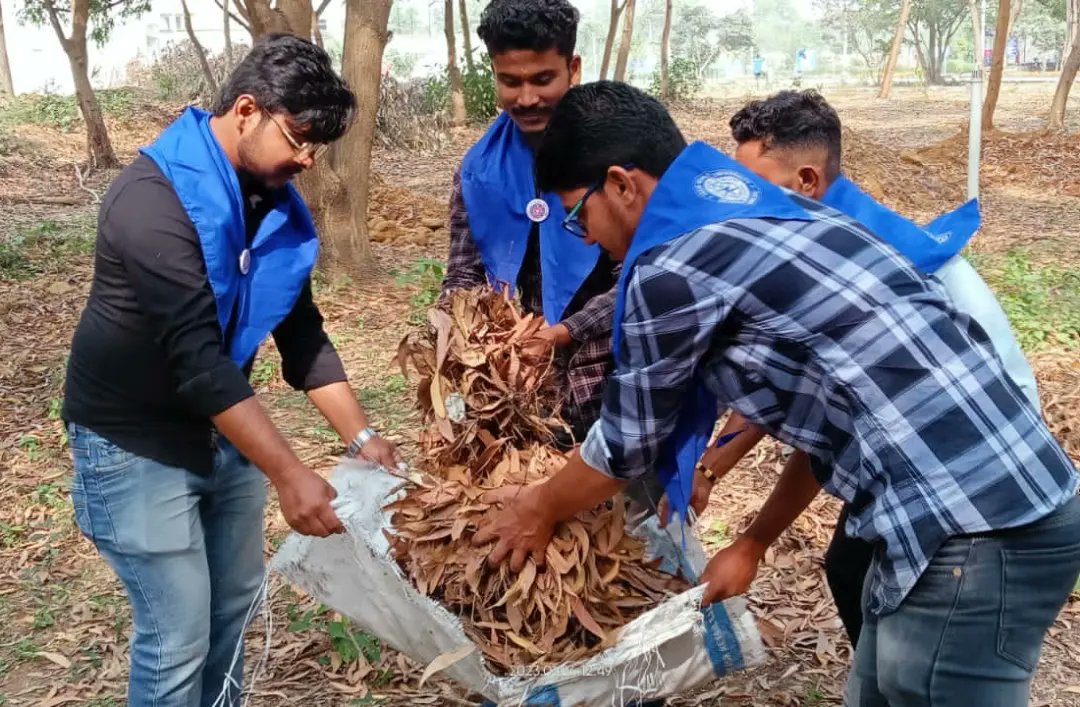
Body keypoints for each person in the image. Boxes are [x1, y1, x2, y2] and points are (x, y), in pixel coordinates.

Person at [474, 81, 1080, 706]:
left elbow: (624, 446)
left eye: (578, 216)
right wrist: (755, 539)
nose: (588, 238)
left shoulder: (674, 263)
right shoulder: (775, 213)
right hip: (995, 504)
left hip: (973, 529)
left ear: (624, 185)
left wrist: (539, 507)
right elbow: (838, 419)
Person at [63, 34, 400, 707]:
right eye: (299, 139)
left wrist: (362, 439)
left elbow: (299, 332)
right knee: (178, 633)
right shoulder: (151, 202)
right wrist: (289, 471)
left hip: (221, 432)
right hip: (134, 444)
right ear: (247, 109)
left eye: (315, 149)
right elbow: (195, 357)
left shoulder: (269, 198)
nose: (306, 160)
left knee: (233, 609)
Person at [656, 89, 1044, 647]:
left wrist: (752, 542)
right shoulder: (830, 235)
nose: (740, 207)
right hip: (936, 421)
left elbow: (838, 428)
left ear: (808, 181)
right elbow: (792, 390)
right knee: (854, 570)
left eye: (755, 186)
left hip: (976, 439)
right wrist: (711, 467)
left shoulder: (855, 261)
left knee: (874, 576)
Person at [440, 0, 623, 447]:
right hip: (525, 389)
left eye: (543, 80)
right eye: (510, 82)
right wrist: (459, 340)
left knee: (632, 509)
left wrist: (563, 333)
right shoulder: (479, 171)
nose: (526, 99)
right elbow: (463, 273)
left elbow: (647, 279)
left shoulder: (620, 156)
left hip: (614, 378)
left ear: (573, 68)